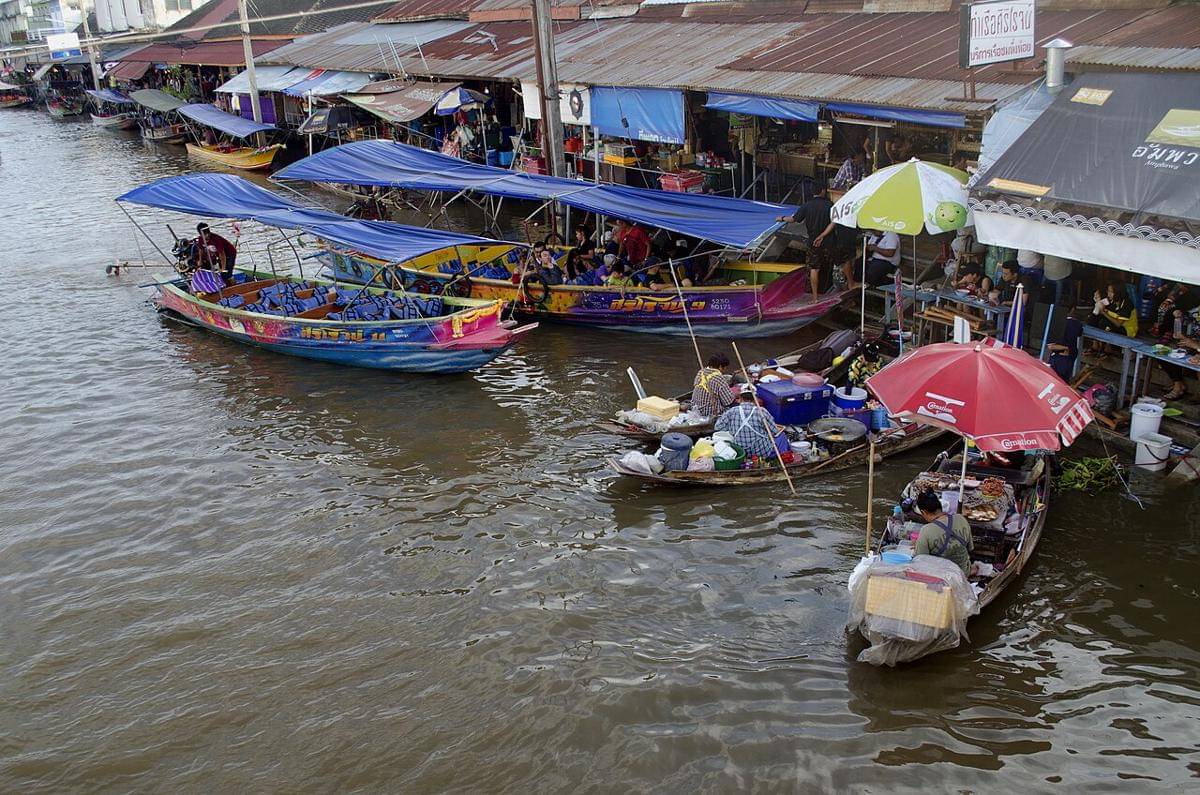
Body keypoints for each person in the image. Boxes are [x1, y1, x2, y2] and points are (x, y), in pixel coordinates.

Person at [778, 179, 834, 297]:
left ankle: (814, 297)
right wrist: (823, 235)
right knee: (828, 267)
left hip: (813, 242)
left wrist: (782, 218)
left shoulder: (807, 205)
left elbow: (794, 219)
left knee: (814, 268)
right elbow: (835, 222)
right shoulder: (830, 205)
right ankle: (827, 292)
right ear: (823, 191)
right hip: (828, 241)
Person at [913, 490, 973, 576]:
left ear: (924, 512)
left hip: (943, 578)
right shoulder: (961, 518)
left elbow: (920, 562)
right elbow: (970, 548)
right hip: (963, 574)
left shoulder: (926, 530)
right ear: (940, 506)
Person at [714, 385, 781, 460]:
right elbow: (774, 431)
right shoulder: (762, 411)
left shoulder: (732, 411)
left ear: (741, 398)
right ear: (755, 398)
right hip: (761, 452)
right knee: (782, 437)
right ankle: (779, 459)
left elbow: (718, 427)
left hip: (740, 452)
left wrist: (732, 428)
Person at [691, 354, 736, 419]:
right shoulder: (718, 378)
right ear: (720, 367)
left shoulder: (701, 372)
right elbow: (728, 401)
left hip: (695, 408)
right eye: (725, 368)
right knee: (735, 404)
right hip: (709, 412)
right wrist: (735, 394)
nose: (725, 370)